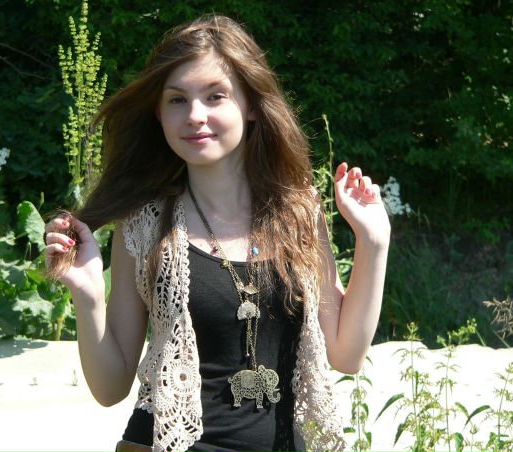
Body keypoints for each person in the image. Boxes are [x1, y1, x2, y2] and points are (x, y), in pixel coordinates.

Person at [44, 14, 390, 452]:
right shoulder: (144, 224)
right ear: (159, 113)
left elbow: (347, 355)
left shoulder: (300, 213)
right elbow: (110, 388)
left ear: (250, 104)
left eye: (215, 96)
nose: (195, 115)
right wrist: (88, 295)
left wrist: (373, 242)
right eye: (177, 100)